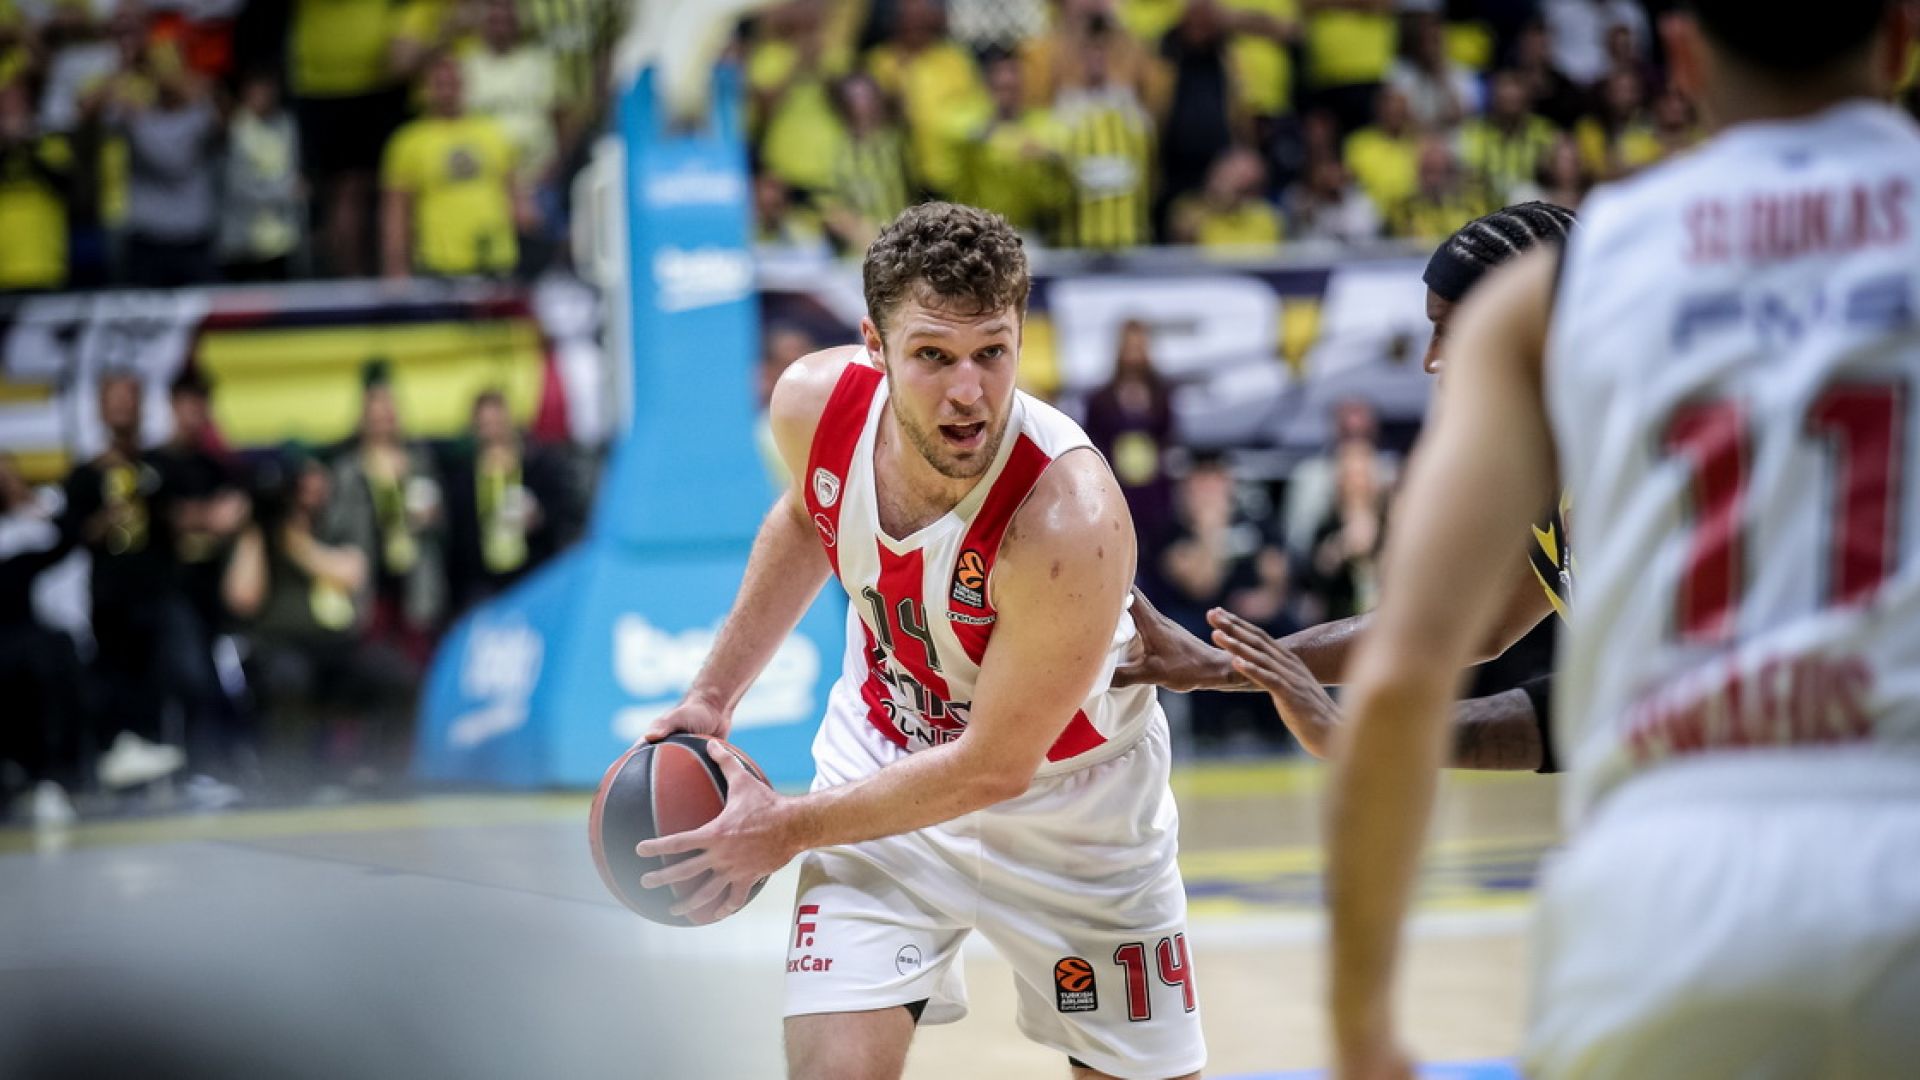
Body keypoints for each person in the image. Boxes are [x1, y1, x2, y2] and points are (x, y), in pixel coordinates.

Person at [1326, 3, 1920, 1076]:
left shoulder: (1561, 289)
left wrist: (1362, 1026)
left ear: (1680, 55)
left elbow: (1408, 669)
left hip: (1664, 887)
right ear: (1901, 40)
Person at [630, 203, 1204, 1080]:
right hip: (884, 756)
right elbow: (809, 516)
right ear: (875, 345)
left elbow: (993, 767)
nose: (968, 391)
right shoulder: (814, 406)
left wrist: (786, 828)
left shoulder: (1070, 519)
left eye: (991, 353)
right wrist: (713, 696)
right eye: (933, 355)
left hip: (1075, 815)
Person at [1118, 202, 1579, 774]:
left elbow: (1620, 702)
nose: (1431, 360)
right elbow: (1466, 627)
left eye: (1451, 329)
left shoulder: (1643, 464)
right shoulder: (1546, 470)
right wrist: (1224, 667)